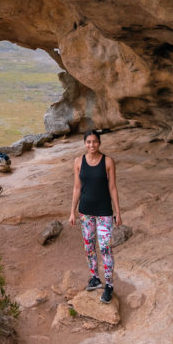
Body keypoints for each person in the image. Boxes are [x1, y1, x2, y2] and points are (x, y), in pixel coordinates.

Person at [68, 129, 121, 303]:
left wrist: (118, 212)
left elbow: (112, 187)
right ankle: (94, 278)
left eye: (95, 142)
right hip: (85, 213)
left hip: (104, 212)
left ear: (99, 143)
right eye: (88, 142)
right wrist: (72, 212)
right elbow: (77, 187)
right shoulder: (78, 162)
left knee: (105, 248)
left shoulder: (108, 161)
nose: (92, 145)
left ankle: (109, 285)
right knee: (89, 247)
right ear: (84, 143)